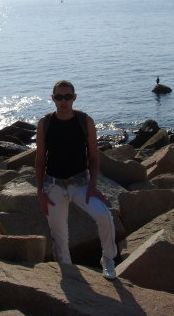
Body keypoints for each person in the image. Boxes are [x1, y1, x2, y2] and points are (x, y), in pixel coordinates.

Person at [35, 80, 117, 280]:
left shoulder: (85, 121)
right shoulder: (45, 123)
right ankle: (69, 274)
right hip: (53, 185)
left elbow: (94, 157)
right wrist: (40, 192)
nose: (63, 101)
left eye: (68, 97)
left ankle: (108, 258)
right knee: (60, 238)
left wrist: (92, 186)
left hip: (81, 184)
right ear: (53, 98)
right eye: (59, 97)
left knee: (104, 216)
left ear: (74, 98)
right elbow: (40, 159)